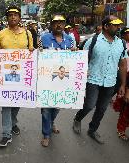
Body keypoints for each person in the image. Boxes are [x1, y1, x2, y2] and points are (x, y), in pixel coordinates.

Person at [73, 16, 127, 144]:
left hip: (110, 82)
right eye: (115, 25)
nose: (118, 27)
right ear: (106, 26)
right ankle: (77, 118)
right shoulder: (93, 41)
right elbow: (81, 58)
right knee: (90, 105)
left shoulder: (121, 43)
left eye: (119, 25)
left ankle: (92, 129)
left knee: (102, 108)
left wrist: (123, 85)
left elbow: (123, 64)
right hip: (93, 79)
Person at [0, 5, 34, 147]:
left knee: (17, 102)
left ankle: (13, 123)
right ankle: (6, 134)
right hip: (5, 75)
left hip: (23, 75)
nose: (13, 17)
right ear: (7, 18)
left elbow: (32, 52)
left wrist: (33, 51)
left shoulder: (28, 34)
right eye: (10, 15)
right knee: (6, 104)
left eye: (15, 15)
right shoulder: (1, 34)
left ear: (19, 17)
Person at [38, 15, 74, 147]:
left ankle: (51, 123)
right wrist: (38, 52)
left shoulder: (70, 40)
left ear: (64, 24)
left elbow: (75, 58)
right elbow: (38, 55)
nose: (59, 25)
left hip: (63, 80)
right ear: (51, 25)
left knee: (57, 107)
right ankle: (46, 134)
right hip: (47, 80)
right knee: (46, 109)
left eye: (61, 23)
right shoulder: (44, 38)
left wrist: (75, 53)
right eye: (56, 23)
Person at [112, 27, 129, 141]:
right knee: (126, 108)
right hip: (124, 74)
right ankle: (121, 129)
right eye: (127, 33)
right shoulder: (121, 44)